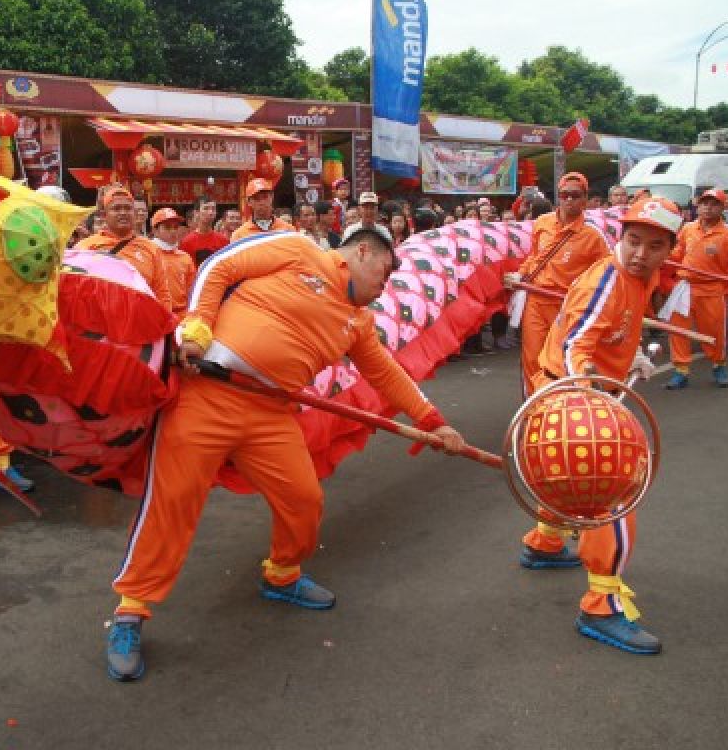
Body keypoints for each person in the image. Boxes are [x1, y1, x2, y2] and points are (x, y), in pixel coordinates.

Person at [104, 225, 467, 682]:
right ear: (362, 251)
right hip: (208, 393)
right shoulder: (299, 249)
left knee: (304, 500)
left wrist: (434, 421)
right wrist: (197, 325)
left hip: (271, 413)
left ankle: (282, 574)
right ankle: (131, 611)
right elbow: (219, 267)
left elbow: (388, 376)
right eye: (386, 271)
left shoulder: (358, 323)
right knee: (172, 501)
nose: (386, 283)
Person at [518, 196, 683, 655]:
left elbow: (610, 331)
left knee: (563, 478)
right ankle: (600, 603)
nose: (639, 253)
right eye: (632, 241)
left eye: (654, 245)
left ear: (669, 249)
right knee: (613, 492)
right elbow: (576, 344)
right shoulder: (609, 279)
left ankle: (545, 542)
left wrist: (627, 357)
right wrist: (594, 400)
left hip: (571, 389)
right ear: (619, 236)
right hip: (571, 392)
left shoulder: (641, 277)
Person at [503, 173, 610, 390]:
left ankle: (559, 408)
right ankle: (535, 408)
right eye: (564, 194)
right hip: (535, 300)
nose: (569, 199)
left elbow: (606, 275)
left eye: (575, 195)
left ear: (585, 199)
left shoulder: (594, 237)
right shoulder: (542, 223)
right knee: (532, 359)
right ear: (558, 197)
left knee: (559, 362)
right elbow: (534, 257)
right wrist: (520, 274)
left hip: (567, 308)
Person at [663, 188, 728, 388]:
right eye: (704, 203)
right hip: (685, 286)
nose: (708, 208)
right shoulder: (688, 229)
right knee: (677, 328)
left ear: (722, 208)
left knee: (714, 332)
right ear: (698, 206)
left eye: (714, 204)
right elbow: (677, 253)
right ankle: (680, 370)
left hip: (712, 289)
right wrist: (663, 259)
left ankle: (719, 365)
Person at [77, 185, 172, 310]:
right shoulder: (85, 248)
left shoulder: (150, 248)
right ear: (104, 215)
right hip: (99, 324)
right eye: (116, 209)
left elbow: (162, 293)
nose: (123, 213)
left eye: (128, 208)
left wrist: (164, 324)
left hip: (140, 322)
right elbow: (77, 292)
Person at [151, 207, 196, 316]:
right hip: (156, 314)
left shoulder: (185, 257)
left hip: (181, 315)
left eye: (175, 227)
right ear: (155, 231)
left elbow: (192, 290)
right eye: (167, 227)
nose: (173, 231)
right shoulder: (148, 254)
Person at [229, 178, 295, 241]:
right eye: (256, 198)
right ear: (248, 202)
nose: (262, 202)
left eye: (265, 197)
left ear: (272, 197)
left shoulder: (288, 230)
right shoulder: (239, 235)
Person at [179, 195, 229, 266]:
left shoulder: (223, 240)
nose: (210, 212)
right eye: (206, 208)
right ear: (197, 213)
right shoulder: (187, 242)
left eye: (213, 209)